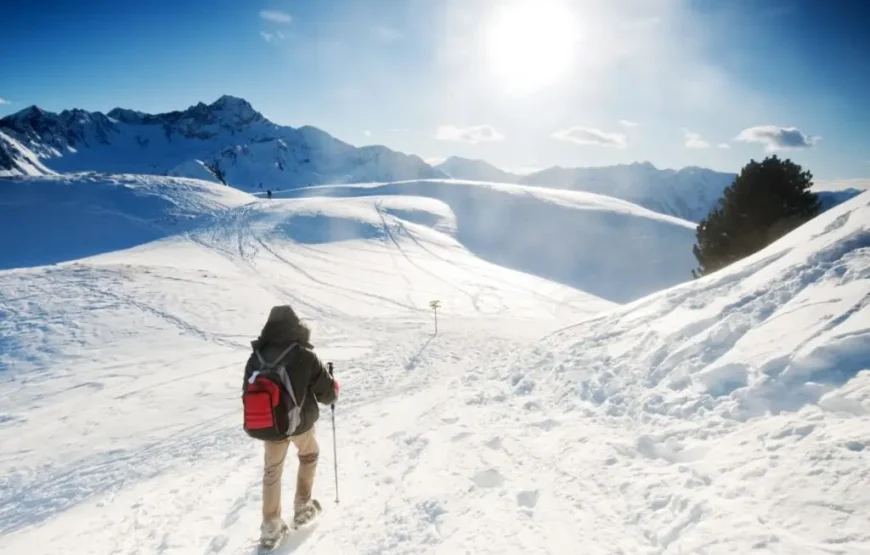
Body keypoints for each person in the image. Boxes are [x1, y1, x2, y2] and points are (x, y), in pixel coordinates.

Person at [244, 305, 339, 544]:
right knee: (309, 455)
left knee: (272, 470)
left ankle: (270, 527)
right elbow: (327, 394)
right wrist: (333, 387)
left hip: (270, 425)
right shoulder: (304, 355)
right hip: (300, 425)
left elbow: (247, 391)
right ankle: (302, 506)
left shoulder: (256, 357)